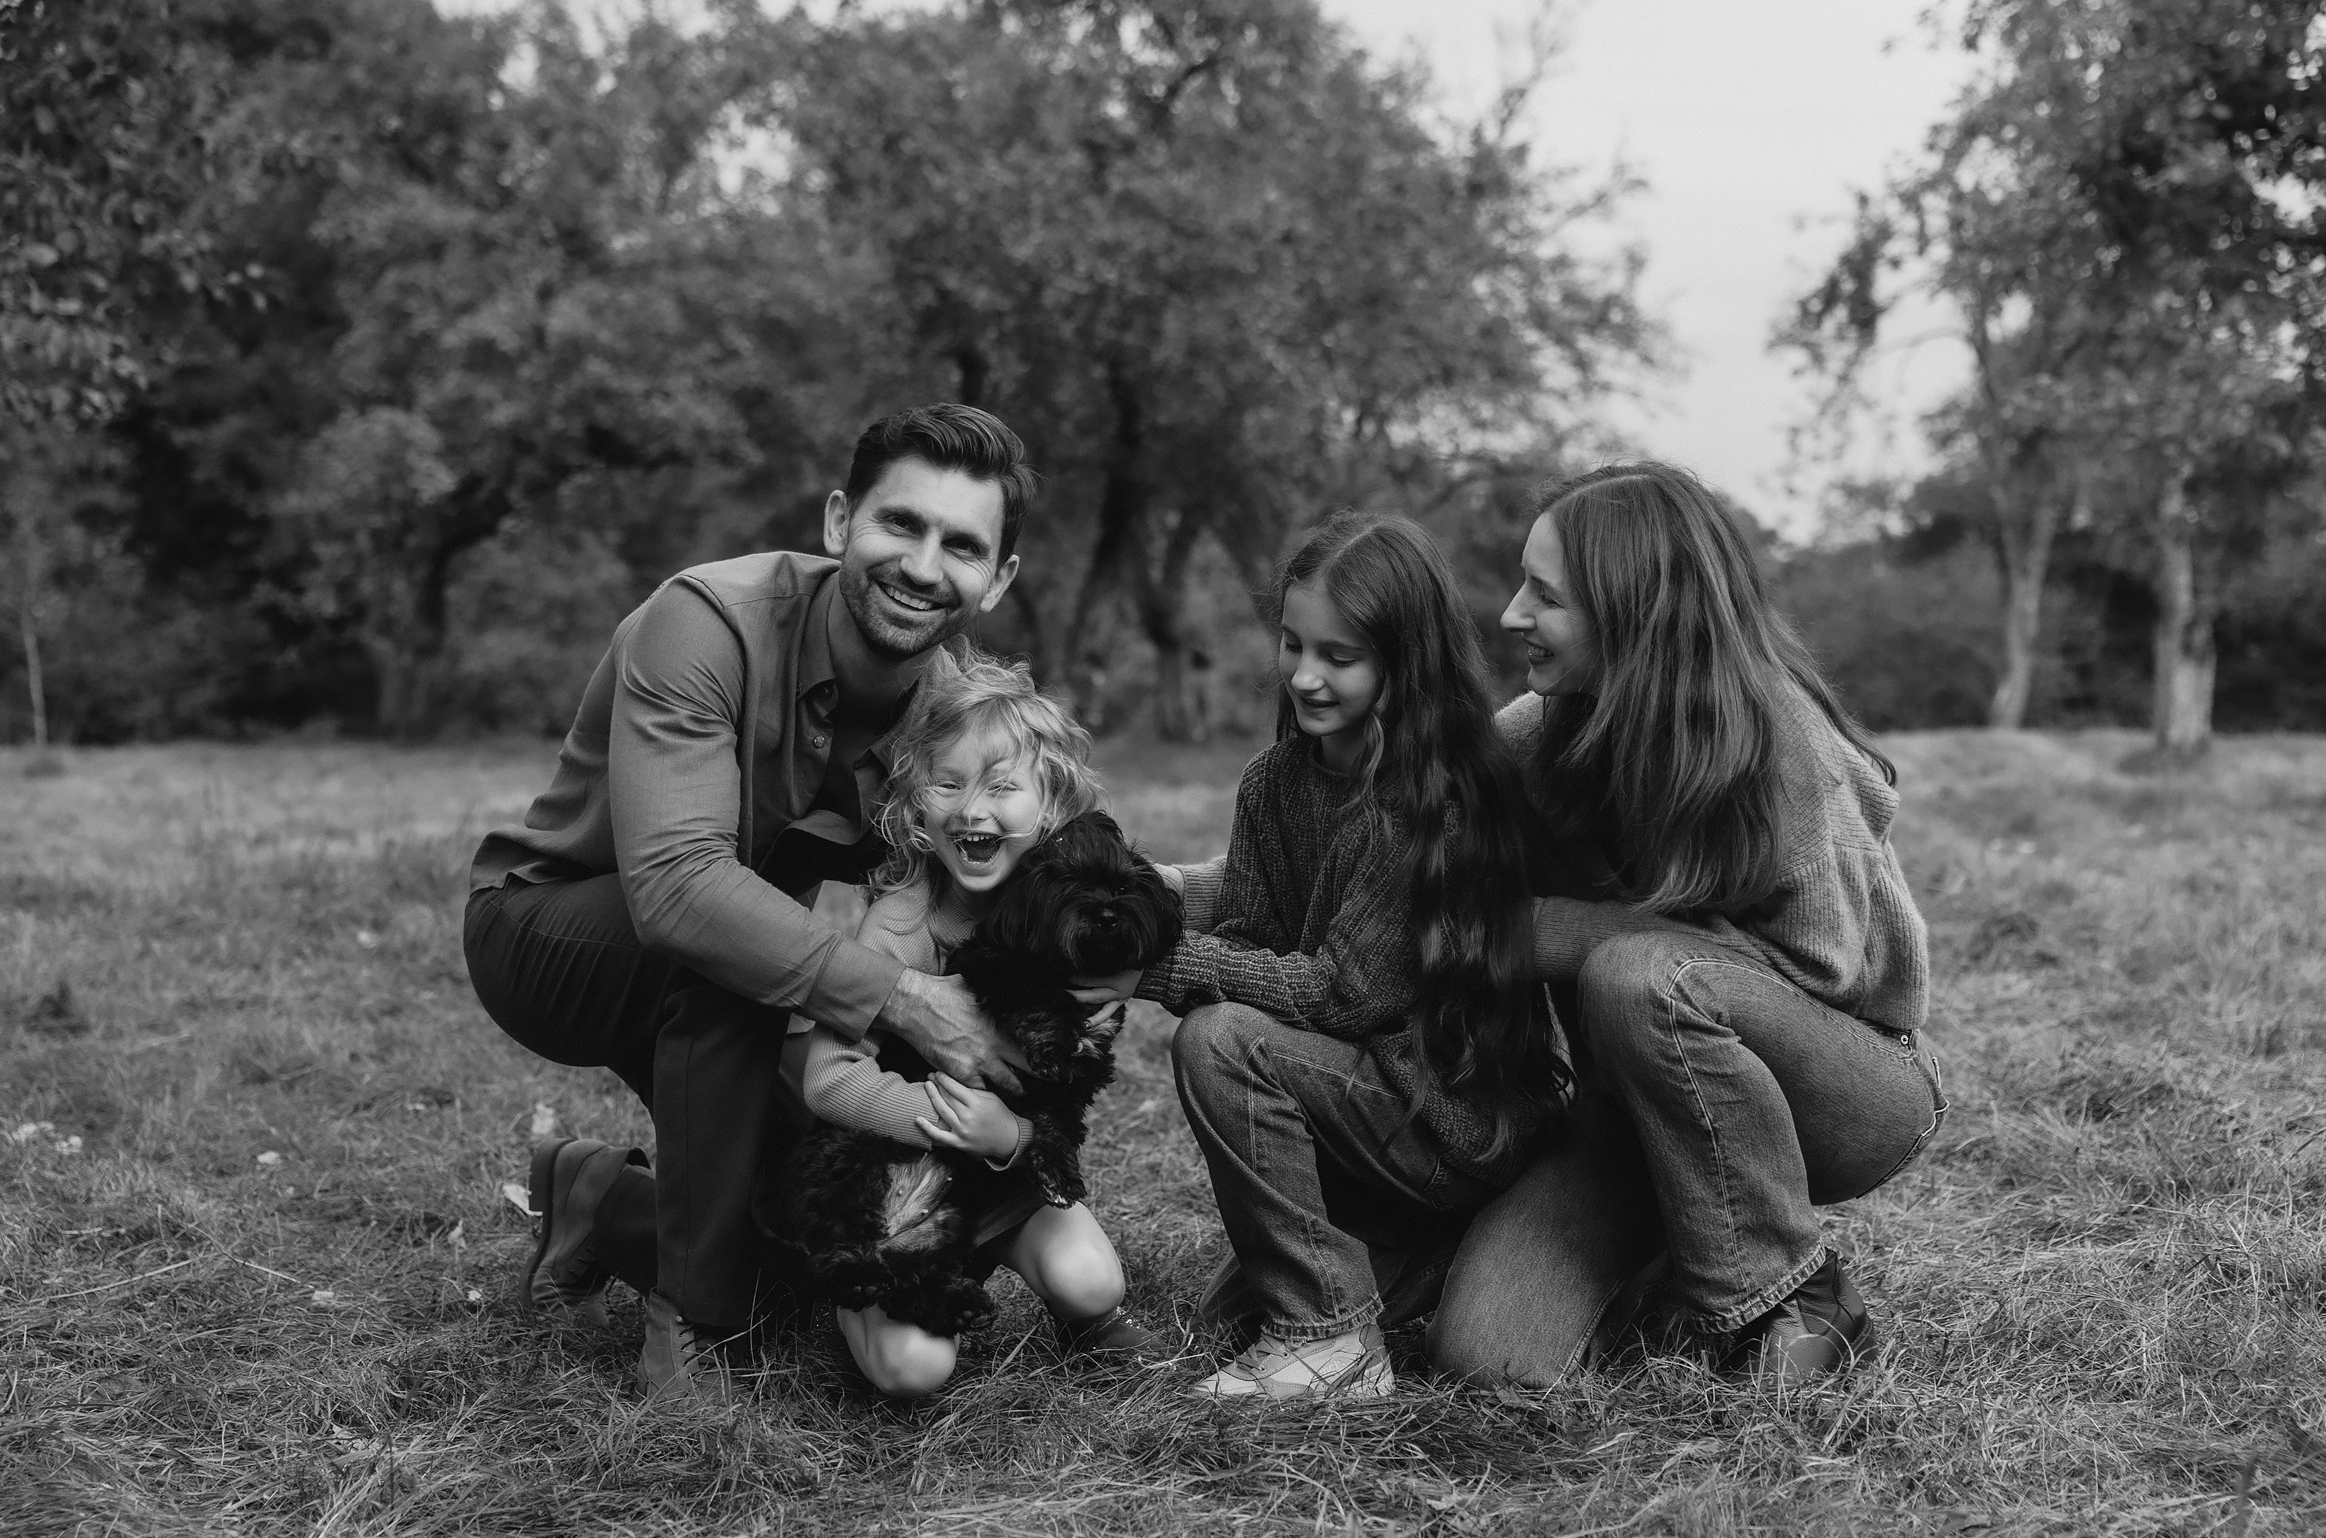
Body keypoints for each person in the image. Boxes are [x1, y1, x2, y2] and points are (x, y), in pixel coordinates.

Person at [463, 404, 1034, 1403]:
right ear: (838, 520)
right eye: (900, 524)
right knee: (730, 936)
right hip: (549, 932)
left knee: (802, 1224)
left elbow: (1005, 870)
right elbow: (680, 889)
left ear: (997, 579)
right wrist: (900, 1001)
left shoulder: (947, 713)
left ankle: (598, 1195)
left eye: (961, 545)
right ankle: (690, 1331)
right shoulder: (706, 620)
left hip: (741, 976)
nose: (921, 563)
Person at [1427, 460, 1948, 1390]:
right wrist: (1140, 894)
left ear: (1634, 616)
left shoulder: (1783, 755)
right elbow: (1378, 848)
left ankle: (1795, 1296)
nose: (1510, 614)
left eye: (1546, 596)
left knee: (1639, 977)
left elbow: (1845, 980)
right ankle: (1682, 1248)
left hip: (1849, 1091)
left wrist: (1561, 931)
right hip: (1634, 1110)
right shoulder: (1545, 734)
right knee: (1487, 1358)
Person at [1126, 513, 1568, 1400]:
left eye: (1339, 656)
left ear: (1404, 663)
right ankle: (1414, 1264)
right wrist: (1174, 947)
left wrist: (1160, 968)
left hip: (1447, 1116)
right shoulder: (1273, 782)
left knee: (1219, 1040)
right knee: (1225, 1321)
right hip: (1361, 1105)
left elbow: (1343, 992)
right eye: (1292, 645)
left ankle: (1331, 1338)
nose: (1304, 675)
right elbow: (1248, 933)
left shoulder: (1429, 799)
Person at [795, 648, 1162, 1396]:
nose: (973, 809)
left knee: (1095, 1286)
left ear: (1053, 806)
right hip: (896, 1182)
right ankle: (853, 1302)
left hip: (1002, 1179)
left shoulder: (1065, 917)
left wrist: (1016, 1139)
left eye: (1003, 787)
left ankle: (1025, 1274)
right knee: (915, 1370)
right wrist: (952, 1119)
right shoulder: (900, 928)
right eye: (949, 783)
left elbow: (1066, 1082)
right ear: (915, 805)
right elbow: (828, 1080)